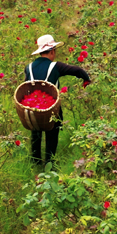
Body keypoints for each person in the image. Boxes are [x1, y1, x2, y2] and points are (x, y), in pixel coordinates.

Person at [25, 34, 91, 165]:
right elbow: (77, 70)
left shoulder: (29, 67)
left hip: (33, 108)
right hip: (51, 109)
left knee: (36, 134)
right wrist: (86, 79)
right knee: (52, 134)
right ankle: (49, 163)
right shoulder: (56, 66)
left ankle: (35, 161)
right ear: (52, 51)